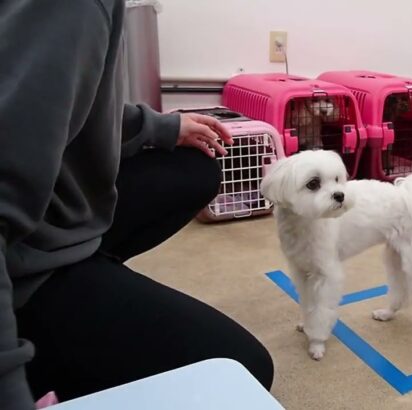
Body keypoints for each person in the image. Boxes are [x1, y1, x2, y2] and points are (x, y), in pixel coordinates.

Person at [0, 1, 273, 409]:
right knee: (238, 371)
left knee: (194, 169)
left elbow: (61, 92)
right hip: (20, 256)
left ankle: (93, 278)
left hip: (47, 218)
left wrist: (159, 126)